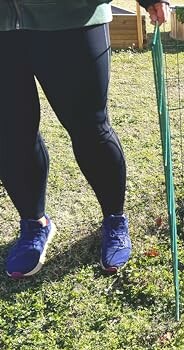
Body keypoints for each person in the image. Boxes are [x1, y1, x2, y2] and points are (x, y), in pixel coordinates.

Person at [0, 0, 169, 279]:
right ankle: (35, 224)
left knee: (91, 128)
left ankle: (114, 220)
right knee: (10, 134)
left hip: (72, 17)